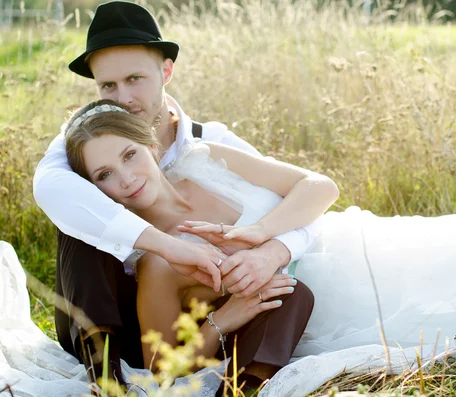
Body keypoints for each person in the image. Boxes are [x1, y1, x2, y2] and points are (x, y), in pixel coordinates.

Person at [64, 100, 456, 395]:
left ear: (150, 143)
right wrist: (234, 315)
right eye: (106, 175)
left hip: (342, 240)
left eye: (131, 155)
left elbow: (320, 187)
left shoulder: (207, 159)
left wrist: (264, 234)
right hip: (318, 300)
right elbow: (162, 364)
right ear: (96, 190)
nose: (126, 178)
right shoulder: (157, 258)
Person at [32, 0, 320, 389]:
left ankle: (245, 384)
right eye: (108, 85)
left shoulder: (210, 146)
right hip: (129, 315)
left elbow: (305, 199)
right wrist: (169, 248)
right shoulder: (82, 146)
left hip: (207, 308)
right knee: (79, 219)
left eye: (135, 79)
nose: (123, 98)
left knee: (291, 292)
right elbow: (49, 188)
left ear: (166, 71)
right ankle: (103, 368)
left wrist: (270, 249)